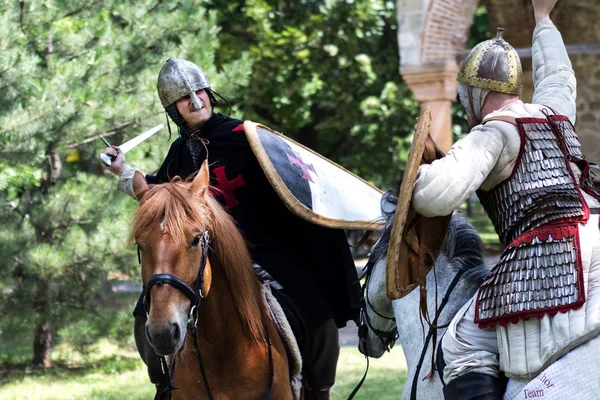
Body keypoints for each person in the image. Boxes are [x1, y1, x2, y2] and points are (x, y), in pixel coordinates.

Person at [103, 58, 360, 400]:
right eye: (184, 98)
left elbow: (293, 179)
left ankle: (318, 391)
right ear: (173, 109)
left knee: (320, 320)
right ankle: (166, 385)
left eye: (199, 91)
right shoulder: (180, 150)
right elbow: (155, 191)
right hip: (200, 258)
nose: (196, 101)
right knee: (144, 317)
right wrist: (121, 170)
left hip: (264, 254)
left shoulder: (246, 137)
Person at [410, 0, 600, 399]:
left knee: (462, 344)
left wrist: (419, 171)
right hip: (596, 228)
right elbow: (559, 76)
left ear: (472, 95)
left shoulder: (491, 133)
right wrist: (543, 21)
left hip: (554, 253)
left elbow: (432, 197)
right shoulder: (554, 115)